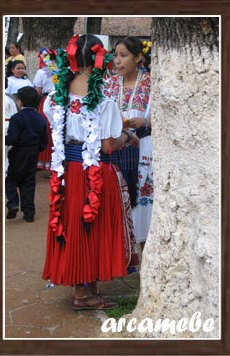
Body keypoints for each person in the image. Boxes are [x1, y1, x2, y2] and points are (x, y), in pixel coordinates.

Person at [42, 34, 139, 310]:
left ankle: (87, 287)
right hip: (94, 172)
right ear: (100, 58)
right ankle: (83, 294)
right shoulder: (104, 99)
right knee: (90, 226)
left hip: (68, 171)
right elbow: (108, 143)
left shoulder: (57, 93)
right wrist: (128, 136)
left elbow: (54, 125)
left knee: (74, 225)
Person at [109, 36, 153, 251]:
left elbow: (165, 115)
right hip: (117, 150)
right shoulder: (109, 84)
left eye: (124, 55)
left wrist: (146, 120)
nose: (118, 60)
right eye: (115, 55)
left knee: (143, 202)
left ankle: (145, 252)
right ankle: (121, 256)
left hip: (143, 149)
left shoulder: (150, 83)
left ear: (138, 58)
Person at [5, 86, 48, 222]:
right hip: (33, 153)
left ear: (19, 102)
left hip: (18, 153)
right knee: (29, 182)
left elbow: (11, 139)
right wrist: (37, 148)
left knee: (11, 179)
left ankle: (12, 203)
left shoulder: (16, 118)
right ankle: (29, 213)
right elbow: (44, 142)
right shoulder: (41, 119)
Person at [33, 48, 58, 171]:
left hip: (45, 102)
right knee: (55, 130)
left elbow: (37, 91)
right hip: (58, 102)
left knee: (44, 129)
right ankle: (53, 162)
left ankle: (42, 161)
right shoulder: (61, 71)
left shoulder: (41, 72)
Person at [5, 76, 17, 174]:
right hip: (6, 127)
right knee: (5, 154)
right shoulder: (8, 100)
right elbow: (15, 116)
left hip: (6, 126)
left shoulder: (8, 100)